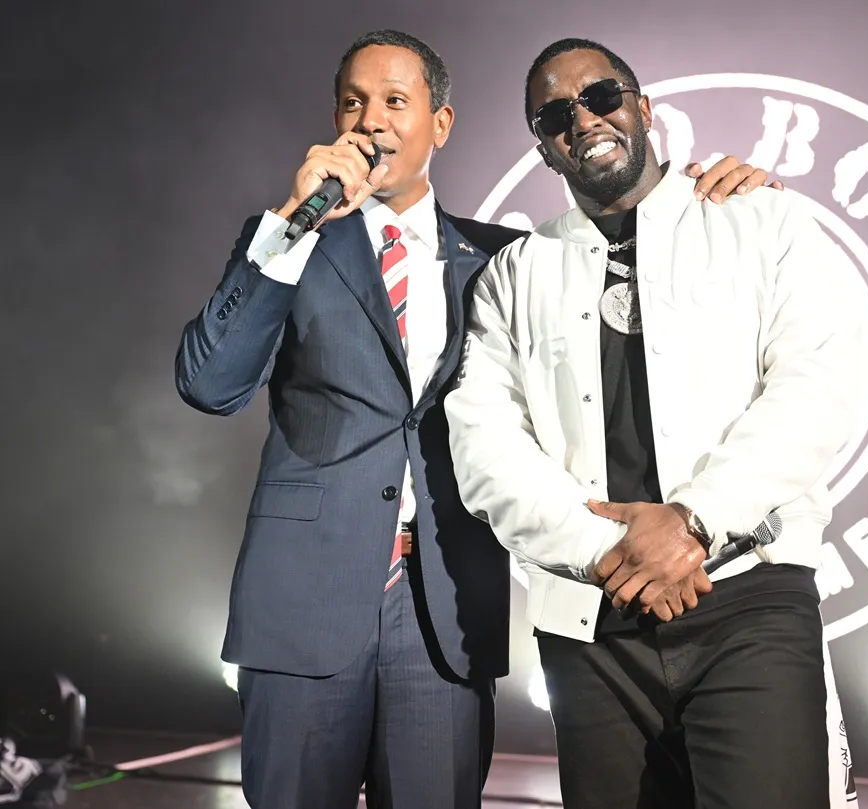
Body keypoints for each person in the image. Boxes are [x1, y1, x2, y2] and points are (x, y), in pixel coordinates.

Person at [174, 28, 778, 809]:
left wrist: (711, 195)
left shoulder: (507, 260)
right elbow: (209, 381)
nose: (373, 121)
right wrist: (293, 219)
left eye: (396, 100)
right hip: (302, 606)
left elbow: (633, 246)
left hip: (445, 614)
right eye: (354, 103)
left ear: (441, 123)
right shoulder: (294, 243)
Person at [444, 37, 865, 809]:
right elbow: (485, 449)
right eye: (556, 113)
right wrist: (616, 552)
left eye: (601, 96)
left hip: (748, 597)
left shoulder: (760, 219)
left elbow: (818, 386)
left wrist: (693, 522)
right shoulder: (514, 273)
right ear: (544, 148)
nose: (584, 118)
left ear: (644, 109)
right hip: (591, 625)